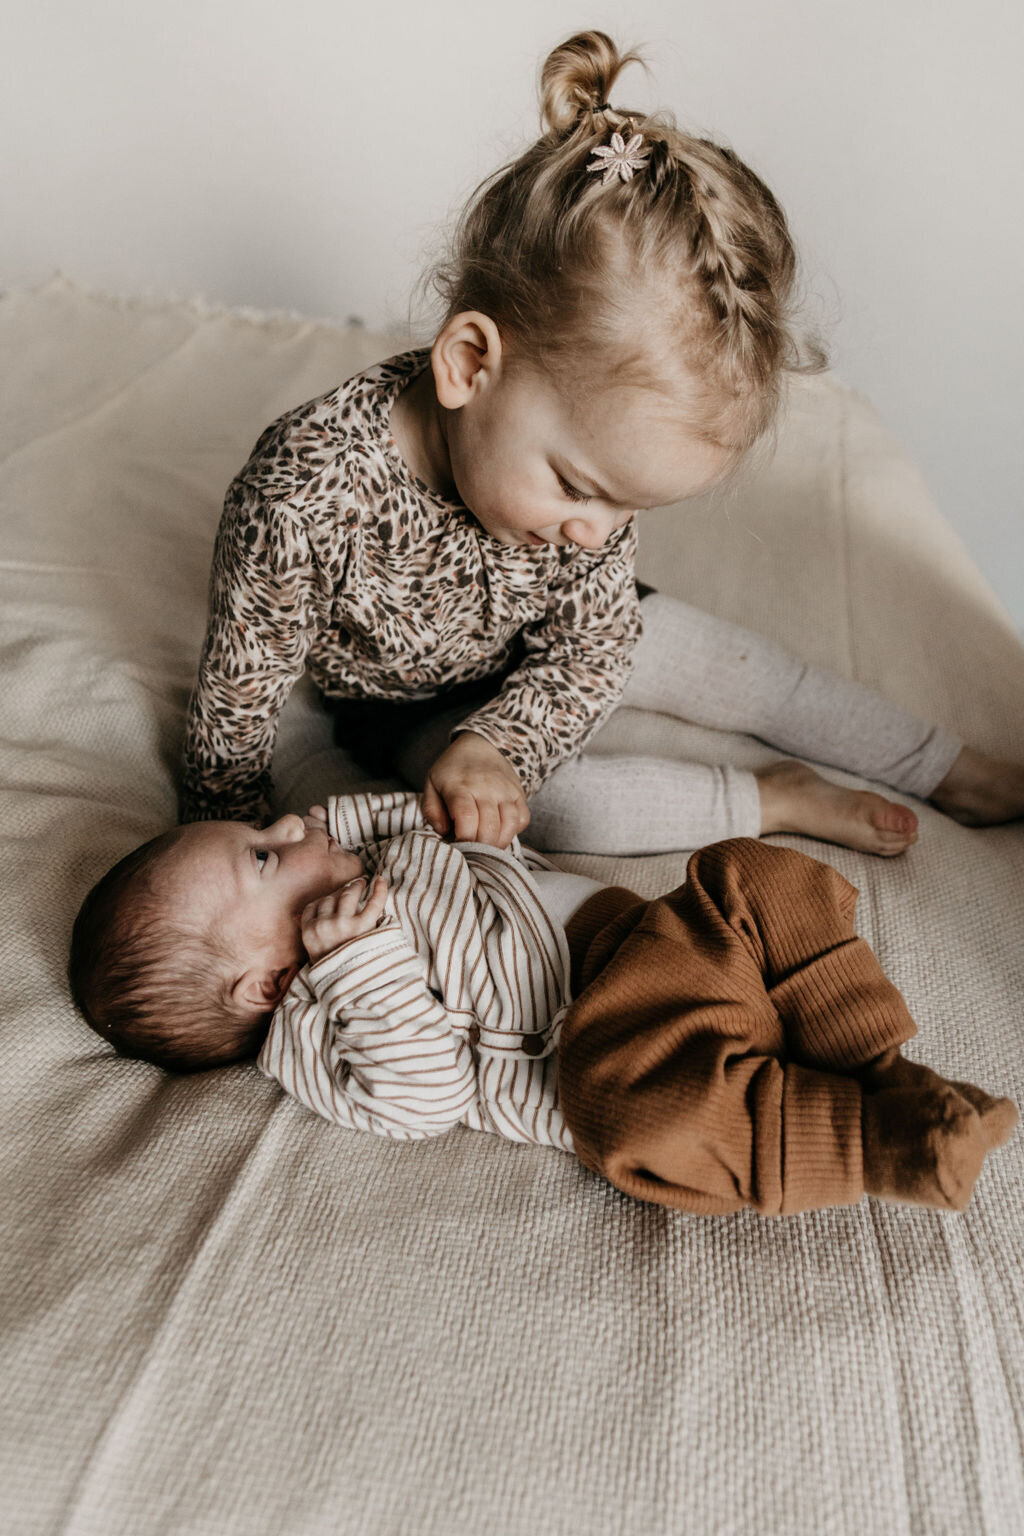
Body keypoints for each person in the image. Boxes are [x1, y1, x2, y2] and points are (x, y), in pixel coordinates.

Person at [179, 29, 1024, 858]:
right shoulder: (302, 494)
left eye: (630, 504)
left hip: (558, 638)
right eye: (580, 489)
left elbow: (594, 645)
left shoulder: (586, 513)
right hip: (403, 700)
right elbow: (238, 704)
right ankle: (774, 796)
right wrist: (475, 757)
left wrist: (510, 733)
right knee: (567, 815)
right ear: (470, 364)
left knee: (753, 674)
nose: (598, 531)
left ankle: (938, 763)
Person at [69, 790, 1016, 1217]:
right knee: (637, 1120)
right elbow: (422, 1100)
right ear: (270, 981)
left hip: (670, 937)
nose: (291, 821)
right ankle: (880, 1142)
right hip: (614, 1036)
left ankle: (881, 1064)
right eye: (265, 855)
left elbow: (389, 811)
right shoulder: (319, 1022)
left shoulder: (370, 850)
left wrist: (443, 804)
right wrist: (357, 966)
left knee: (754, 872)